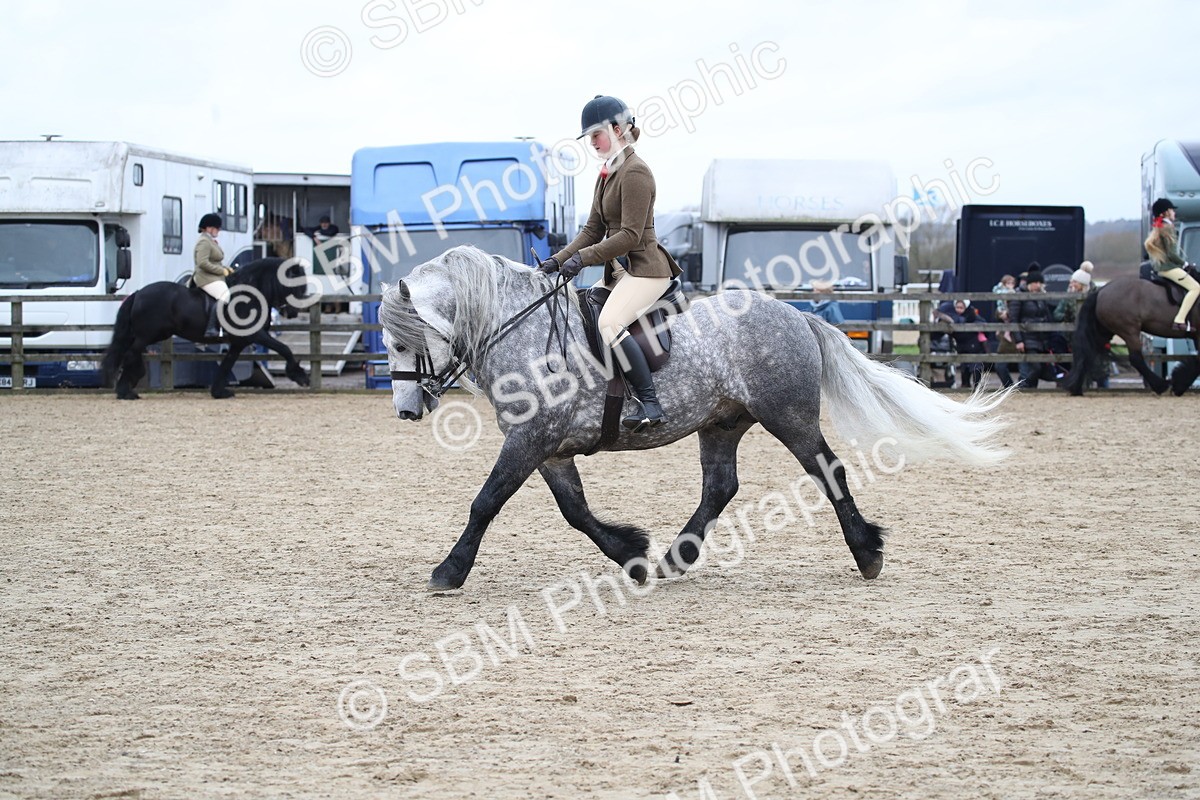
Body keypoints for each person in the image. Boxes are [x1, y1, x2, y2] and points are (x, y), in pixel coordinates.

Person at [539, 95, 681, 431]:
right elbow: (593, 229)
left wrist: (582, 259)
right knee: (582, 311)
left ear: (616, 129)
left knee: (610, 324)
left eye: (595, 135)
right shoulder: (607, 172)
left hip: (646, 269)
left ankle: (650, 403)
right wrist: (556, 262)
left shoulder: (636, 172)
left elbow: (630, 236)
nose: (591, 143)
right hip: (619, 274)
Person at [1144, 198, 1199, 331]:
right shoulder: (1167, 227)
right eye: (1172, 210)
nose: (1174, 213)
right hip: (1169, 268)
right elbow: (1172, 254)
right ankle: (1179, 320)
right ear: (1166, 213)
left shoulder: (1161, 226)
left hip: (1163, 268)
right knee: (1196, 288)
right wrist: (1184, 263)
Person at [1054, 261, 1108, 389]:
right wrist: (1069, 320)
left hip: (1094, 335)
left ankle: (1104, 388)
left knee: (1100, 366)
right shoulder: (1069, 297)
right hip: (1074, 336)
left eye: (1074, 282)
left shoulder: (1096, 295)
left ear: (1082, 284)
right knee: (1079, 363)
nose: (1071, 284)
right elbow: (1057, 313)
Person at [1008, 266, 1057, 389]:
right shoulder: (1019, 296)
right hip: (1027, 337)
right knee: (1035, 367)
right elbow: (1013, 319)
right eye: (1035, 282)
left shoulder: (1041, 297)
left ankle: (1029, 388)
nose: (1038, 285)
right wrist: (1018, 340)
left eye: (1040, 282)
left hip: (1041, 338)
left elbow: (1047, 315)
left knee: (1038, 368)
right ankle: (1021, 385)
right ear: (1029, 283)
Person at [193, 213, 233, 337]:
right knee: (225, 296)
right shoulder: (204, 242)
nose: (219, 230)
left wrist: (226, 269)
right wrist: (221, 271)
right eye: (217, 228)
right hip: (205, 278)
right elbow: (202, 263)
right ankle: (211, 328)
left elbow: (215, 261)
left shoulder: (210, 241)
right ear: (209, 228)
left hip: (214, 277)